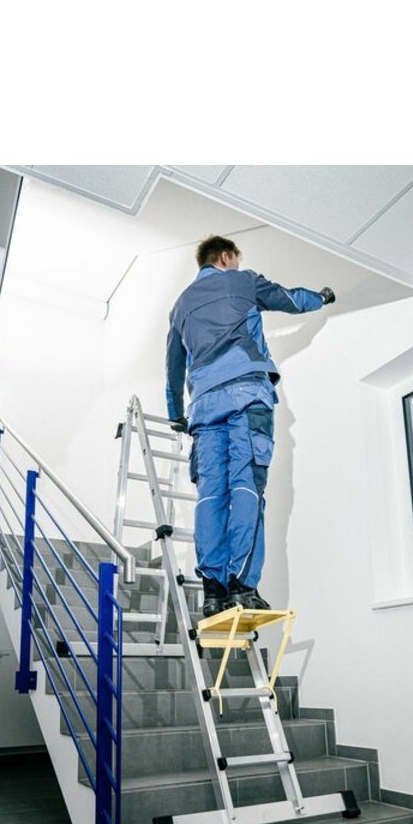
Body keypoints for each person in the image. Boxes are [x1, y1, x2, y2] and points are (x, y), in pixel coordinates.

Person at [165, 235, 334, 619]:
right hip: (246, 395)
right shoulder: (242, 281)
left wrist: (177, 414)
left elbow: (172, 368)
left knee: (211, 495)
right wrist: (322, 297)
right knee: (245, 487)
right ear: (226, 257)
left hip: (204, 407)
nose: (238, 265)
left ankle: (213, 592)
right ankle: (242, 586)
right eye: (237, 260)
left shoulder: (180, 306)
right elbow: (290, 300)